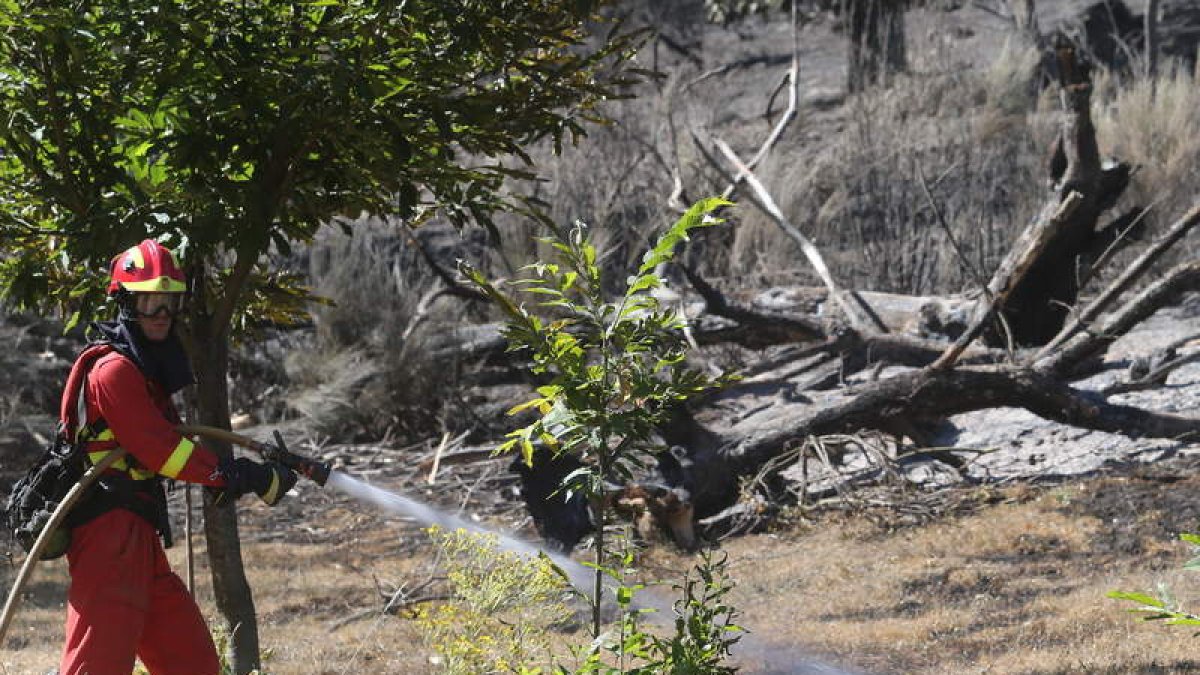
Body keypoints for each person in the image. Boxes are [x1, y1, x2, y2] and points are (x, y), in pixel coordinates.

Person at [57, 238, 297, 675]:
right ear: (127, 304)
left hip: (138, 533)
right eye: (151, 302)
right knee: (97, 666)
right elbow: (160, 448)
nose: (162, 315)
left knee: (191, 661)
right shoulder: (114, 371)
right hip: (108, 535)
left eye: (169, 303)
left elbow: (161, 447)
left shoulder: (140, 368)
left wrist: (227, 477)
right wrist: (228, 474)